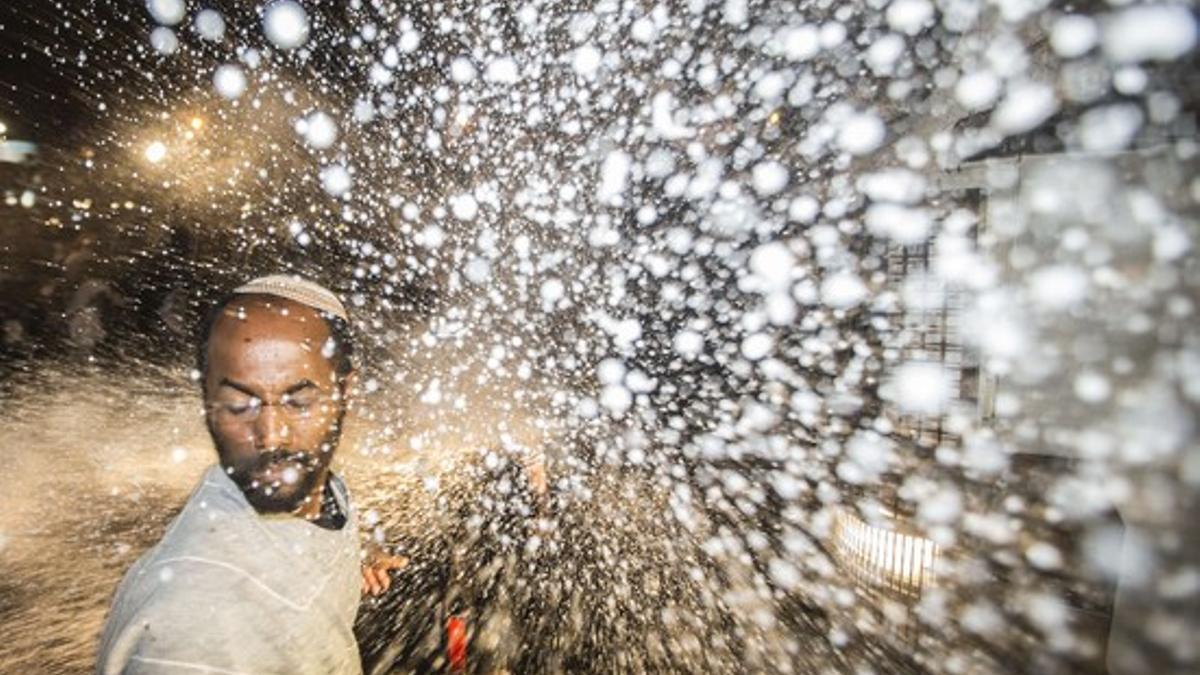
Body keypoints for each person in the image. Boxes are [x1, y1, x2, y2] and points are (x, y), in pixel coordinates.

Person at [96, 274, 406, 675]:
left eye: (299, 401)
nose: (270, 435)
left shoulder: (311, 489)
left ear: (346, 391)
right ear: (205, 397)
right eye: (239, 404)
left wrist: (348, 559)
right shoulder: (199, 634)